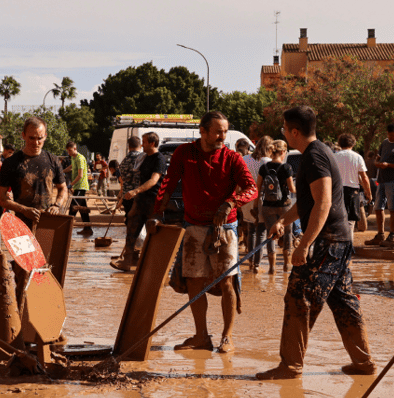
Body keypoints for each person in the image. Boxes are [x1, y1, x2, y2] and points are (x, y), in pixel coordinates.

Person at [255, 107, 373, 379]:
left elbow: (324, 202)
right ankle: (363, 362)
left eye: (285, 129)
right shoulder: (317, 152)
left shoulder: (315, 156)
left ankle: (290, 365)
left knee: (298, 298)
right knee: (344, 302)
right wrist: (284, 220)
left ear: (294, 131)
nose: (283, 133)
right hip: (338, 241)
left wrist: (304, 244)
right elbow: (309, 202)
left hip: (326, 242)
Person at [151, 111, 256, 354]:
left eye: (225, 131)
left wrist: (230, 203)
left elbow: (251, 189)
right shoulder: (184, 154)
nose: (223, 136)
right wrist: (157, 213)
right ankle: (201, 336)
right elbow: (167, 183)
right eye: (218, 131)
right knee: (194, 283)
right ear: (203, 131)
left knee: (227, 282)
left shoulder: (233, 158)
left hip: (225, 229)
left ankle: (227, 336)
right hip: (193, 226)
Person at [0, 117, 68, 233]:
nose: (36, 142)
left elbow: (63, 188)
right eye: (31, 138)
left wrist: (57, 206)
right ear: (23, 135)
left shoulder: (53, 160)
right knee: (25, 252)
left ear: (45, 136)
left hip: (47, 224)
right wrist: (24, 210)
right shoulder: (11, 163)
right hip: (22, 226)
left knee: (46, 252)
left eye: (40, 138)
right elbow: (0, 197)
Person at [112, 133, 168, 273]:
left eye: (144, 142)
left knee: (153, 234)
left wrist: (136, 191)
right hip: (140, 201)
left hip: (154, 202)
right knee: (131, 230)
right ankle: (127, 262)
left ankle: (154, 265)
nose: (141, 145)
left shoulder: (159, 159)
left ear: (152, 143)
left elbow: (154, 180)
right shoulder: (143, 157)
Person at [250, 140, 295, 274]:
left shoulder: (264, 168)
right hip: (284, 206)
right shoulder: (287, 168)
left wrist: (255, 207)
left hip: (267, 206)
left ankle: (272, 268)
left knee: (271, 235)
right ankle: (287, 266)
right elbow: (292, 189)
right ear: (282, 152)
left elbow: (258, 190)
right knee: (287, 234)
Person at [368, 123, 394, 247]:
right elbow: (378, 158)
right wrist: (377, 163)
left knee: (392, 208)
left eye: (392, 136)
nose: (389, 138)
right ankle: (380, 235)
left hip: (393, 181)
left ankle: (392, 236)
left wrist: (388, 165)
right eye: (388, 135)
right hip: (382, 180)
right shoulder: (385, 143)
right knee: (378, 208)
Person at [111, 136, 146, 270]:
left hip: (127, 199)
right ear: (140, 145)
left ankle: (131, 258)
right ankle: (139, 258)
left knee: (131, 227)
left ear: (128, 146)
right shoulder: (143, 158)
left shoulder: (124, 161)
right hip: (141, 197)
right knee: (143, 228)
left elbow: (123, 181)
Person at [333, 134, 372, 233]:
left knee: (338, 220)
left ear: (340, 144)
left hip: (337, 192)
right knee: (350, 222)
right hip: (352, 192)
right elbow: (364, 178)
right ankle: (348, 245)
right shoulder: (357, 157)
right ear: (353, 144)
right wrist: (369, 193)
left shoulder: (334, 157)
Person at [64, 141, 93, 236]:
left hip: (81, 186)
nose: (69, 153)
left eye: (70, 150)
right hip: (77, 186)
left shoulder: (80, 158)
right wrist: (62, 171)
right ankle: (88, 228)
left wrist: (71, 184)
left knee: (73, 207)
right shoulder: (73, 157)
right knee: (82, 209)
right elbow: (71, 167)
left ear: (75, 148)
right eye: (68, 151)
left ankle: (66, 229)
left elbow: (80, 175)